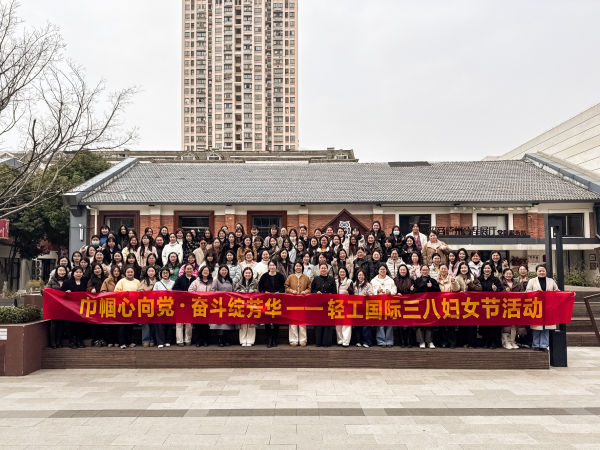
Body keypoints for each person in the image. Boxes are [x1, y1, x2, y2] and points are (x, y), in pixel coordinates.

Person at [526, 265, 559, 352]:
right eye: (539, 271)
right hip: (536, 306)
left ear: (546, 272)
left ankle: (544, 345)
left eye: (543, 271)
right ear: (536, 272)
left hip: (548, 306)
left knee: (546, 327)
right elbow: (527, 292)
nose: (541, 272)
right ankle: (536, 345)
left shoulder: (551, 281)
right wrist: (535, 293)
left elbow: (557, 291)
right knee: (537, 327)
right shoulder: (532, 281)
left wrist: (569, 294)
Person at [259, 261, 286, 348]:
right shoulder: (264, 276)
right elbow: (260, 287)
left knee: (276, 321)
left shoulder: (280, 276)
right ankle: (269, 338)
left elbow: (284, 288)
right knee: (267, 320)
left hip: (277, 302)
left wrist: (279, 292)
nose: (272, 267)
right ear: (268, 267)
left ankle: (274, 338)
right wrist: (264, 292)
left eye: (273, 265)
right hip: (267, 302)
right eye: (270, 265)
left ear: (276, 266)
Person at [60, 266, 89, 349]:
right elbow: (61, 292)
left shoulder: (85, 282)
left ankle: (79, 341)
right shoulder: (67, 282)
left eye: (80, 272)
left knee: (80, 324)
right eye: (77, 272)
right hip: (71, 307)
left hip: (82, 306)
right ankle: (71, 341)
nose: (78, 274)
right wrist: (66, 292)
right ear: (73, 273)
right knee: (71, 324)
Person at [412, 265, 440, 349]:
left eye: (426, 270)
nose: (425, 271)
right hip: (419, 305)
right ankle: (421, 341)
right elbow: (414, 293)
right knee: (419, 324)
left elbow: (438, 292)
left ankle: (429, 341)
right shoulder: (417, 281)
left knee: (430, 324)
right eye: (423, 270)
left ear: (429, 271)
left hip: (430, 305)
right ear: (420, 271)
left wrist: (432, 287)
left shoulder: (433, 280)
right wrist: (412, 290)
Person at [455, 262, 482, 349]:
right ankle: (463, 342)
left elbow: (479, 289)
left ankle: (472, 343)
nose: (463, 269)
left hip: (472, 304)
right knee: (462, 324)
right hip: (461, 304)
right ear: (459, 269)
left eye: (465, 268)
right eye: (462, 268)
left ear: (468, 268)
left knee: (472, 324)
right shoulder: (456, 278)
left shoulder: (473, 277)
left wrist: (470, 284)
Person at [114, 266, 141, 349]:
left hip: (132, 306)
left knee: (130, 325)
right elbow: (116, 292)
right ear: (125, 273)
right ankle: (122, 342)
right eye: (128, 272)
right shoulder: (121, 281)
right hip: (123, 306)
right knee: (122, 325)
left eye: (131, 272)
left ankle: (129, 341)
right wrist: (125, 293)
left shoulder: (137, 282)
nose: (130, 273)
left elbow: (140, 292)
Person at [285, 262, 311, 347]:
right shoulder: (290, 277)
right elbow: (286, 287)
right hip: (292, 302)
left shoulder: (306, 277)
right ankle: (293, 340)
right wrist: (292, 291)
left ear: (302, 267)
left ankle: (303, 340)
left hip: (303, 302)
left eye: (300, 266)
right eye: (297, 266)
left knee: (302, 321)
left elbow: (309, 288)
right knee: (293, 321)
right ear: (294, 267)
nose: (298, 267)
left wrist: (305, 292)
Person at [371, 264, 398, 347]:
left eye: (384, 269)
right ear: (378, 270)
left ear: (386, 270)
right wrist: (377, 291)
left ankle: (389, 341)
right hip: (378, 304)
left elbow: (395, 290)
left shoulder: (390, 280)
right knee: (380, 324)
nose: (382, 271)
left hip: (389, 304)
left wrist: (389, 292)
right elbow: (370, 291)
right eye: (381, 269)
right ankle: (381, 341)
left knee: (389, 323)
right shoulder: (374, 280)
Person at [478, 262, 503, 349]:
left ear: (491, 269)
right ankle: (486, 341)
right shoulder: (479, 279)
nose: (487, 270)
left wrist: (496, 289)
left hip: (493, 305)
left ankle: (494, 342)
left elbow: (501, 291)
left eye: (488, 268)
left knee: (494, 324)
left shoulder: (495, 279)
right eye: (485, 268)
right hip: (482, 305)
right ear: (482, 269)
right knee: (484, 324)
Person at [311, 263, 337, 348]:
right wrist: (316, 292)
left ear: (327, 269)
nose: (323, 270)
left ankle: (326, 342)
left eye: (324, 268)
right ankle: (318, 342)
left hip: (329, 305)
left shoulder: (332, 279)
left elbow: (335, 293)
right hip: (318, 305)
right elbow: (312, 290)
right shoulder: (316, 279)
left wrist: (331, 295)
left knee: (327, 324)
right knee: (318, 323)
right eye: (321, 268)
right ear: (319, 270)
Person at [211, 265, 236, 347]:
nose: (224, 272)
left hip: (229, 305)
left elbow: (234, 291)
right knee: (220, 323)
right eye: (222, 270)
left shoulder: (231, 280)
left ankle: (226, 339)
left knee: (228, 323)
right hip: (219, 305)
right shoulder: (216, 280)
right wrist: (220, 294)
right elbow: (212, 291)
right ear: (219, 271)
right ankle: (220, 339)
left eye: (225, 270)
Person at [188, 266, 213, 347]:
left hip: (208, 306)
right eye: (204, 270)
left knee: (206, 325)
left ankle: (205, 341)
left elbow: (214, 292)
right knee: (198, 324)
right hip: (198, 305)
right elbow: (190, 291)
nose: (205, 272)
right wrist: (199, 296)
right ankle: (198, 341)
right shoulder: (196, 282)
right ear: (201, 272)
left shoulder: (212, 281)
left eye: (207, 270)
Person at [172, 264, 197, 346]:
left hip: (191, 304)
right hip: (180, 303)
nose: (189, 270)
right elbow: (174, 289)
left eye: (190, 269)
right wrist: (183, 293)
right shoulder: (179, 279)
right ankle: (179, 340)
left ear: (193, 270)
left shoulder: (195, 279)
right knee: (179, 323)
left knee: (189, 323)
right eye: (187, 269)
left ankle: (188, 340)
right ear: (184, 270)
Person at [436, 264, 460, 349]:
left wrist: (453, 282)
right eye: (441, 269)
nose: (443, 270)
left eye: (445, 269)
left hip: (450, 304)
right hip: (439, 304)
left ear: (447, 270)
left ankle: (452, 342)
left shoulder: (452, 278)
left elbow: (457, 289)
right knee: (441, 325)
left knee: (451, 325)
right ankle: (443, 342)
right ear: (439, 270)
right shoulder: (436, 280)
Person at [150, 267, 174, 348]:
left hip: (170, 305)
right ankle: (160, 341)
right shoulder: (157, 284)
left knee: (169, 324)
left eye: (167, 272)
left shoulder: (173, 283)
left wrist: (170, 293)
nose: (165, 274)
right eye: (163, 273)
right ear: (161, 274)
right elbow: (154, 295)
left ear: (169, 274)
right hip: (159, 305)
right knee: (159, 324)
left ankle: (168, 341)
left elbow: (176, 294)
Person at [500, 267, 524, 349]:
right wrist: (505, 292)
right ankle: (505, 342)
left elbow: (522, 292)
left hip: (515, 305)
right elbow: (497, 294)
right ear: (503, 275)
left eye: (510, 274)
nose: (508, 275)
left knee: (514, 325)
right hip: (504, 306)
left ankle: (512, 341)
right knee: (506, 325)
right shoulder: (500, 283)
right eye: (507, 274)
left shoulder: (517, 283)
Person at [235, 267, 259, 347]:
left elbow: (259, 292)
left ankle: (250, 340)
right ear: (243, 274)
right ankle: (243, 340)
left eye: (249, 273)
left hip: (252, 305)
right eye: (246, 273)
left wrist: (254, 291)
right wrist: (239, 292)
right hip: (242, 305)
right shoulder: (239, 282)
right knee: (243, 323)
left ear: (252, 274)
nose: (248, 274)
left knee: (251, 323)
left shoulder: (256, 282)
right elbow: (234, 291)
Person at [47, 266, 68, 349]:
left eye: (64, 270)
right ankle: (53, 342)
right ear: (56, 272)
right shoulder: (52, 281)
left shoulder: (68, 281)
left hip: (64, 305)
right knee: (54, 323)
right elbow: (46, 291)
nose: (62, 272)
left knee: (61, 324)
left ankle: (59, 342)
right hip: (54, 305)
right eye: (60, 270)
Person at [352, 269, 374, 348]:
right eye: (359, 275)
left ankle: (367, 342)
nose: (361, 277)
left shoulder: (368, 285)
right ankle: (359, 341)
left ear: (365, 276)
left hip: (365, 307)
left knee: (366, 325)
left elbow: (372, 295)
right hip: (356, 308)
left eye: (362, 275)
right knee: (357, 325)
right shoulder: (354, 284)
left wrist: (368, 294)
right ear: (357, 276)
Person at [393, 265, 414, 348]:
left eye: (404, 270)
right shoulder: (395, 280)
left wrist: (412, 291)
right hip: (398, 303)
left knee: (410, 322)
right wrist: (396, 294)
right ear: (399, 271)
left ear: (407, 271)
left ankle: (408, 340)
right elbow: (392, 290)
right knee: (399, 322)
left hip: (409, 303)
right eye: (401, 270)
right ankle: (401, 340)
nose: (402, 271)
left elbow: (415, 291)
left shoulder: (411, 280)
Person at [138, 266, 158, 348]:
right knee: (145, 323)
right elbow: (138, 291)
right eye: (149, 271)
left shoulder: (158, 281)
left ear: (155, 272)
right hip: (145, 304)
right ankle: (145, 340)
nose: (151, 272)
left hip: (155, 305)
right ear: (147, 272)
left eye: (152, 271)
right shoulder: (143, 281)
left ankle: (152, 339)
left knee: (153, 323)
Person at [336, 267, 354, 348]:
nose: (342, 273)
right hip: (337, 305)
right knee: (338, 324)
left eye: (343, 272)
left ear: (346, 273)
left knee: (346, 323)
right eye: (340, 272)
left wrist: (348, 289)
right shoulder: (336, 281)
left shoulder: (350, 281)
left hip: (347, 305)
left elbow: (353, 293)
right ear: (338, 273)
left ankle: (346, 341)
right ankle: (340, 340)